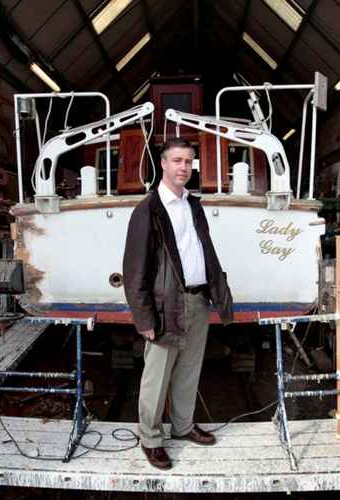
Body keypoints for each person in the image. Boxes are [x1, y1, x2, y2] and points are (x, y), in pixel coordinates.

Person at [122, 137, 233, 470]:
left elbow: (204, 251)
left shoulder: (193, 205)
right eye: (176, 161)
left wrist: (219, 292)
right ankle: (151, 438)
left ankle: (183, 427)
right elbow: (134, 270)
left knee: (188, 371)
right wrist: (144, 318)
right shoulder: (148, 211)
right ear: (164, 164)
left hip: (198, 300)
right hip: (165, 305)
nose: (183, 167)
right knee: (156, 377)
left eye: (188, 161)